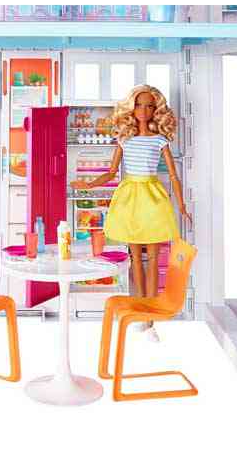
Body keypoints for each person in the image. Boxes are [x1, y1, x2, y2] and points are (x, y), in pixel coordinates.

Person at [70, 84, 192, 342]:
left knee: (153, 258)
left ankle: (150, 320)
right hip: (130, 199)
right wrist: (89, 185)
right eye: (138, 105)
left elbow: (173, 176)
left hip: (153, 198)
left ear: (156, 109)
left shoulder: (160, 141)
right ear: (131, 108)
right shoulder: (124, 139)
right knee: (135, 260)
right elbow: (111, 172)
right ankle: (140, 312)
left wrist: (181, 205)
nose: (143, 110)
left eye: (149, 106)